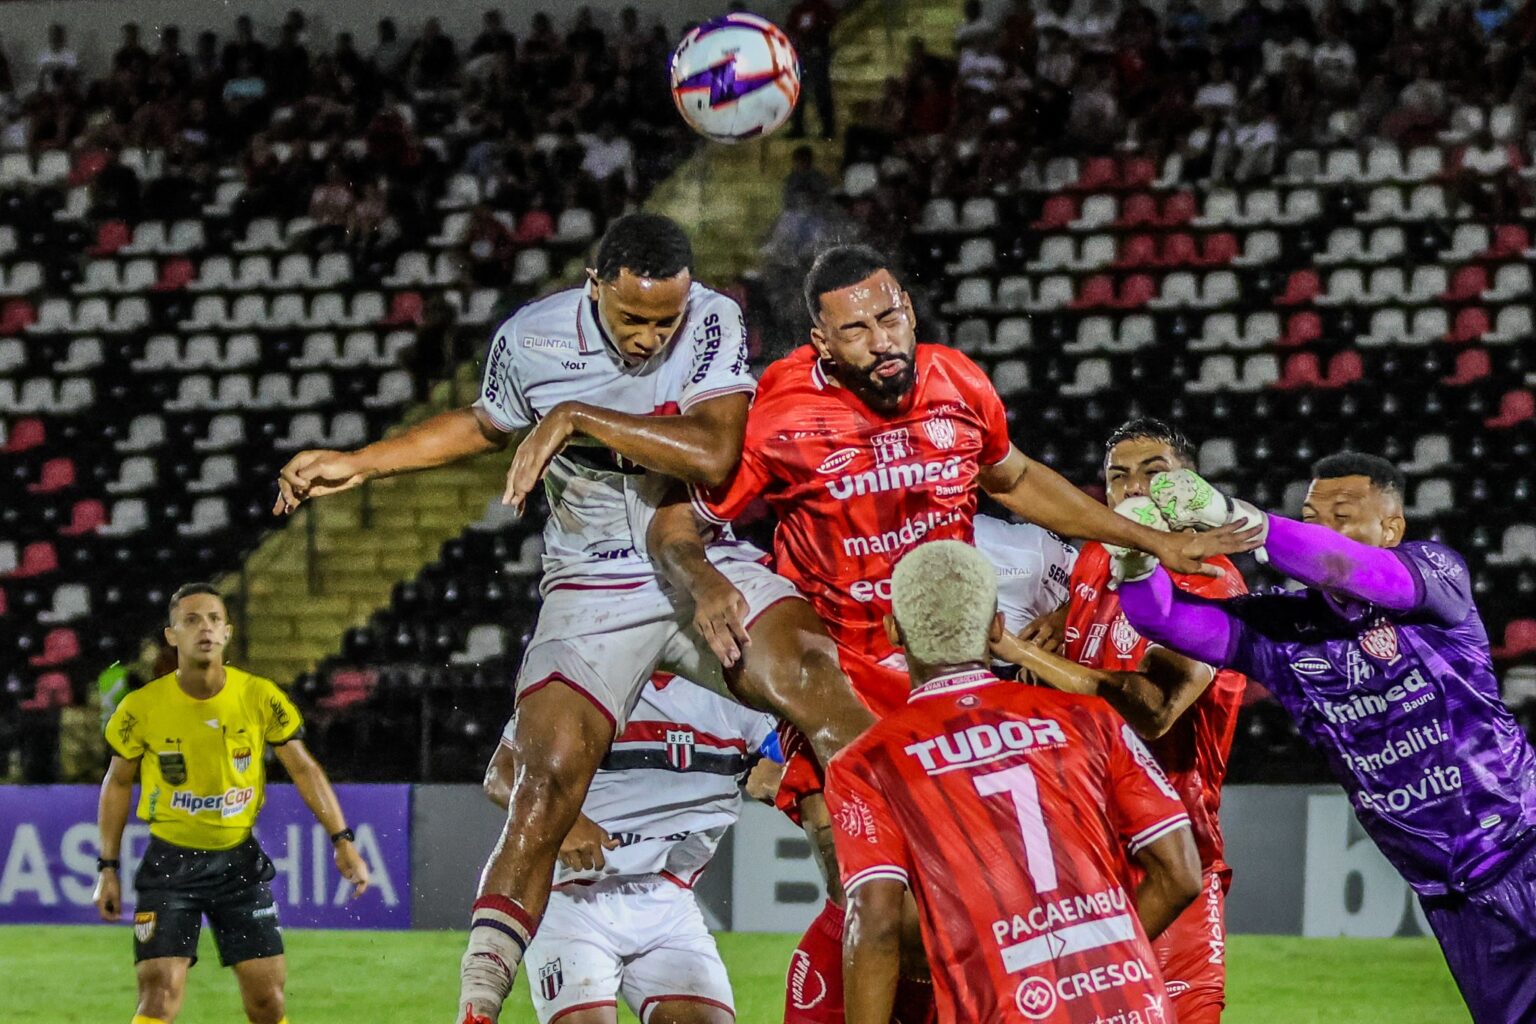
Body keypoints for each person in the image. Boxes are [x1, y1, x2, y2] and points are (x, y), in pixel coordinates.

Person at [272, 213, 875, 1024]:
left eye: (665, 319)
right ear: (595, 288)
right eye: (632, 320)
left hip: (701, 558)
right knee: (544, 781)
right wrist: (361, 463)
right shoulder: (534, 338)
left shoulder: (712, 319)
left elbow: (714, 454)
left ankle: (901, 905)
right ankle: (477, 1010)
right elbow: (486, 424)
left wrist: (576, 418)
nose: (650, 336)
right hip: (590, 584)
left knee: (820, 683)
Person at [647, 244, 1252, 1024]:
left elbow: (1019, 480)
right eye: (857, 329)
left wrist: (1159, 544)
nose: (884, 338)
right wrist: (701, 579)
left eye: (892, 314)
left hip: (949, 679)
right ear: (821, 342)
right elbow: (676, 522)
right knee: (871, 899)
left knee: (964, 900)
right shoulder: (780, 412)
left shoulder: (957, 383)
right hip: (846, 678)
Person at [1115, 454, 1536, 1024]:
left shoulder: (1435, 576)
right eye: (1312, 516)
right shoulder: (1283, 632)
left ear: (1391, 528)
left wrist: (1248, 522)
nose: (1320, 530)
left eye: (1343, 515)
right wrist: (1135, 559)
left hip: (1525, 847)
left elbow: (1360, 572)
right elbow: (1166, 620)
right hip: (1455, 902)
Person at [828, 541, 1202, 1024]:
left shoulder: (867, 763)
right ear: (997, 627)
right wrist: (1095, 957)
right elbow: (1181, 874)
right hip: (1131, 1004)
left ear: (894, 631)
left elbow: (875, 927)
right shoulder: (1090, 718)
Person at [991, 418, 1249, 1024]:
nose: (1133, 489)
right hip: (1078, 858)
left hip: (1175, 862)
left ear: (1190, 486)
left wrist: (1017, 650)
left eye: (1154, 474)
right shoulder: (1092, 563)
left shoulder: (1209, 583)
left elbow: (1155, 712)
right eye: (1118, 477)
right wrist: (1059, 617)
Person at [94, 583, 369, 1024]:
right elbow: (117, 782)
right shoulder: (140, 708)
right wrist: (107, 868)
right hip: (169, 865)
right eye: (191, 620)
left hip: (237, 864)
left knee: (268, 1001)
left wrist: (343, 840)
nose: (205, 628)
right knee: (159, 993)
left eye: (214, 620)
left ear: (227, 633)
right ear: (172, 636)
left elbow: (305, 769)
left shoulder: (259, 696)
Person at [484, 673, 776, 1024]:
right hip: (572, 900)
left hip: (667, 904)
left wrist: (780, 770)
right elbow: (500, 774)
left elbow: (786, 753)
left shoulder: (731, 687)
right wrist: (563, 820)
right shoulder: (584, 677)